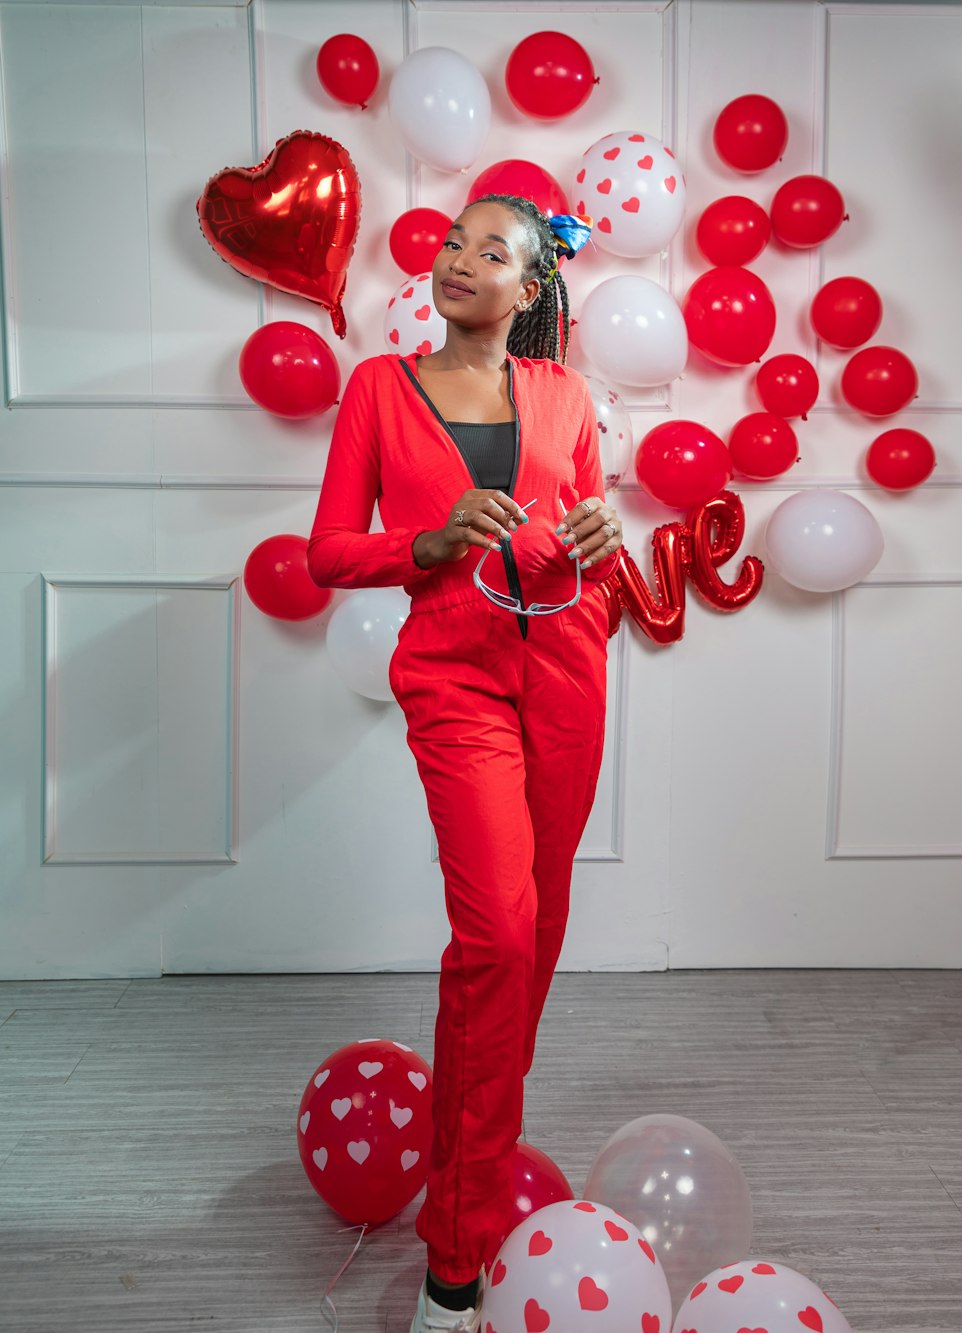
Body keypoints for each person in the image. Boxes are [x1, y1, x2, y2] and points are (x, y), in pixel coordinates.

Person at [307, 193, 624, 1333]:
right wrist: (424, 544)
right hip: (455, 680)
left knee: (527, 946)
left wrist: (602, 538)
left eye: (491, 251)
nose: (458, 260)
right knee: (494, 931)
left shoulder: (566, 395)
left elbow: (585, 529)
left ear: (530, 290)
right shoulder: (378, 391)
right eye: (451, 242)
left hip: (569, 677)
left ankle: (469, 1160)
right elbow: (327, 550)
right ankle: (459, 1254)